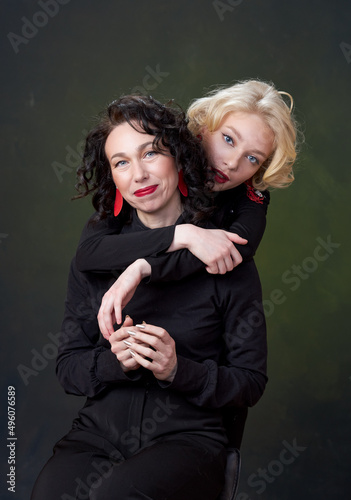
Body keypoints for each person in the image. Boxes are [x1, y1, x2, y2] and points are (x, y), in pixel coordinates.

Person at [31, 95, 267, 500]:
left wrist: (178, 370)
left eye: (151, 153)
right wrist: (113, 362)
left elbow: (250, 382)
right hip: (96, 435)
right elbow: (68, 367)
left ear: (178, 156)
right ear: (114, 177)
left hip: (189, 442)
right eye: (121, 162)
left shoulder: (226, 259)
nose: (138, 173)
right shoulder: (95, 257)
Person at [74, 80, 298, 336]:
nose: (233, 163)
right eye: (228, 139)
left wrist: (145, 267)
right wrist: (183, 235)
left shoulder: (250, 197)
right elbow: (89, 253)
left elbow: (234, 249)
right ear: (203, 126)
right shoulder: (158, 166)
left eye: (252, 158)